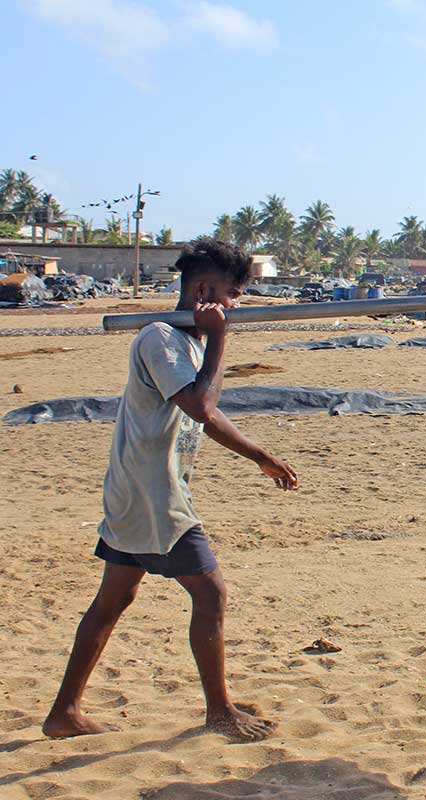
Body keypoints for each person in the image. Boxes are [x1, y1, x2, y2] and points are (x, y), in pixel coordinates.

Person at [42, 238, 299, 741]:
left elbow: (203, 413)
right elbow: (201, 405)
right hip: (152, 494)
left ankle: (64, 713)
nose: (235, 306)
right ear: (203, 290)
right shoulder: (160, 338)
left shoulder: (186, 341)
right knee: (212, 593)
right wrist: (220, 341)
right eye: (231, 294)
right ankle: (219, 711)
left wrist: (259, 456)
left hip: (140, 488)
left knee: (113, 599)